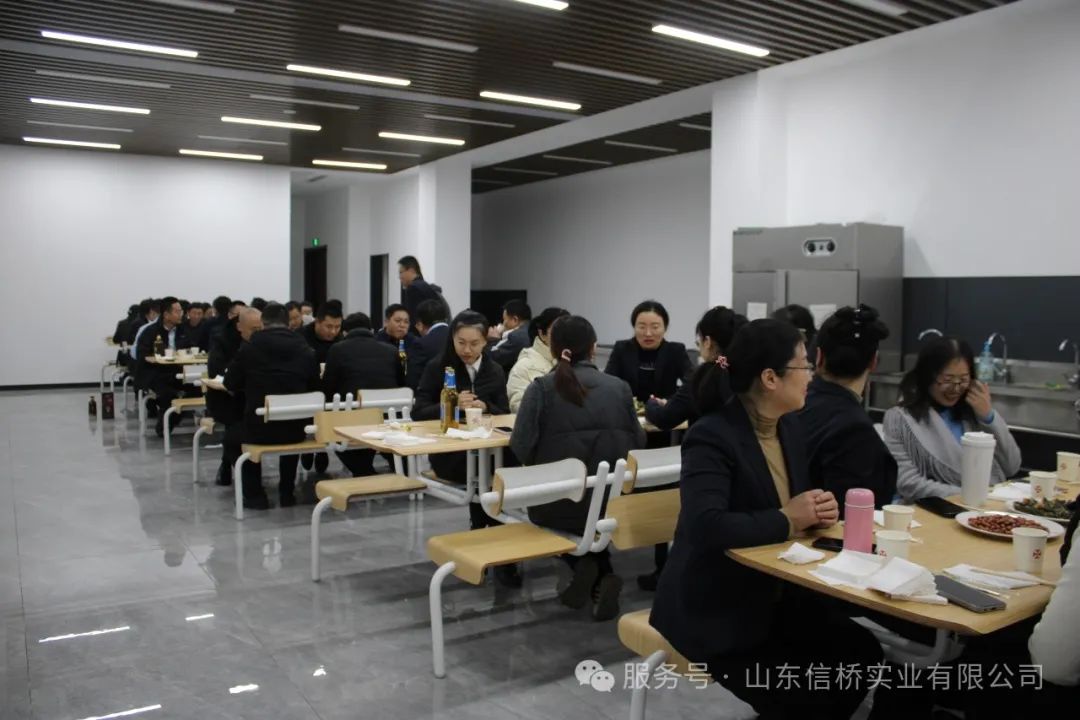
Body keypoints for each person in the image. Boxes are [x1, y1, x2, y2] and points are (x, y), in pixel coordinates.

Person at [650, 319, 881, 719]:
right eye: (804, 365)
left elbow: (787, 504)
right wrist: (788, 518)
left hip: (774, 596)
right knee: (804, 693)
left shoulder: (789, 426)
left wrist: (815, 510)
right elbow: (707, 525)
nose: (812, 374)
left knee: (861, 652)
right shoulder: (711, 435)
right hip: (717, 608)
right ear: (771, 378)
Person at [511, 316, 645, 621]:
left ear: (552, 348)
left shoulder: (541, 389)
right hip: (613, 502)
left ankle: (586, 567)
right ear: (594, 348)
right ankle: (598, 572)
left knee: (571, 512)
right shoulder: (620, 388)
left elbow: (520, 446)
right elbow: (638, 441)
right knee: (592, 515)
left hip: (557, 503)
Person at [414, 311, 514, 582]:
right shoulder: (438, 367)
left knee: (499, 477)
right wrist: (451, 404)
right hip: (452, 453)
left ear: (485, 342)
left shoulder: (494, 370)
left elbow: (504, 411)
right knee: (486, 484)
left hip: (490, 451)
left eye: (474, 344)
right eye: (461, 343)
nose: (467, 350)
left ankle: (488, 540)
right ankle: (497, 549)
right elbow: (418, 412)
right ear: (452, 340)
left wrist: (485, 406)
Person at [883, 337, 1021, 501]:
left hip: (989, 504)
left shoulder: (974, 410)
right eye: (947, 380)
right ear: (927, 376)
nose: (956, 388)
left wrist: (989, 417)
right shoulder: (901, 419)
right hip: (938, 508)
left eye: (963, 380)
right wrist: (968, 496)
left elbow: (1012, 466)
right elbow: (908, 483)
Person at [799, 305, 897, 512]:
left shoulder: (795, 403)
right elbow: (858, 516)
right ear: (873, 362)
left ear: (818, 357)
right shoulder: (855, 430)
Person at [224, 302, 320, 510]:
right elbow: (315, 387)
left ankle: (255, 495)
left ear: (263, 323)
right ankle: (286, 491)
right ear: (288, 323)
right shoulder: (305, 349)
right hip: (297, 430)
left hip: (259, 430)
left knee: (232, 438)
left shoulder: (250, 348)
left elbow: (230, 382)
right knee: (289, 420)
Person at [323, 312, 405, 477]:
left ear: (345, 332)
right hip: (388, 418)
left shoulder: (337, 350)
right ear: (372, 330)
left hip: (353, 421)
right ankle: (397, 470)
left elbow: (328, 388)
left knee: (334, 432)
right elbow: (401, 384)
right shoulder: (391, 350)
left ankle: (364, 472)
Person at [644, 306, 745, 432]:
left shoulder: (704, 377)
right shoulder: (749, 373)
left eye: (699, 342)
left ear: (707, 341)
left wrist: (652, 403)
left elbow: (664, 418)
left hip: (708, 443)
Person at [208, 308, 261, 487]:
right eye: (254, 330)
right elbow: (217, 372)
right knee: (236, 418)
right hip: (227, 396)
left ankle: (236, 469)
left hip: (254, 396)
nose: (258, 334)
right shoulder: (222, 340)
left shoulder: (264, 341)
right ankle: (233, 468)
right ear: (240, 326)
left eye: (260, 329)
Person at [604, 300, 692, 404]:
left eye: (655, 327)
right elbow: (607, 384)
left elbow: (693, 384)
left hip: (664, 410)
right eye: (642, 327)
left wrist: (669, 402)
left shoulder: (676, 351)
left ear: (665, 328)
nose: (648, 333)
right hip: (628, 410)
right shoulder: (622, 349)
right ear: (634, 327)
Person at [134, 296, 190, 436]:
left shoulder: (183, 330)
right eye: (177, 311)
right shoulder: (150, 331)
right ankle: (164, 427)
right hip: (155, 372)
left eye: (181, 311)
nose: (181, 314)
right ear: (166, 314)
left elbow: (190, 348)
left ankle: (171, 420)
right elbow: (141, 355)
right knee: (168, 394)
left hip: (178, 371)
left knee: (196, 389)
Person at [506, 307, 569, 412]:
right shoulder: (524, 366)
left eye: (568, 332)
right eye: (557, 331)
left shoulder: (573, 361)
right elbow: (519, 406)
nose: (563, 336)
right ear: (542, 334)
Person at [405, 299, 450, 389]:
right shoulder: (458, 336)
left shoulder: (421, 344)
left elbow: (413, 380)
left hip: (432, 395)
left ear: (420, 323)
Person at [398, 255, 441, 335]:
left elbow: (413, 319)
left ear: (411, 270)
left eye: (401, 272)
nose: (399, 277)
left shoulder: (413, 288)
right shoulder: (425, 286)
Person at [487, 299, 532, 374]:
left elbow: (492, 358)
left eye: (504, 319)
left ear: (515, 320)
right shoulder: (531, 330)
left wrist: (493, 339)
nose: (503, 323)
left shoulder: (517, 336)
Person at [301, 299, 343, 364]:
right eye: (329, 326)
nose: (333, 332)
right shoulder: (301, 337)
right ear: (317, 322)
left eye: (337, 327)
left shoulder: (341, 341)